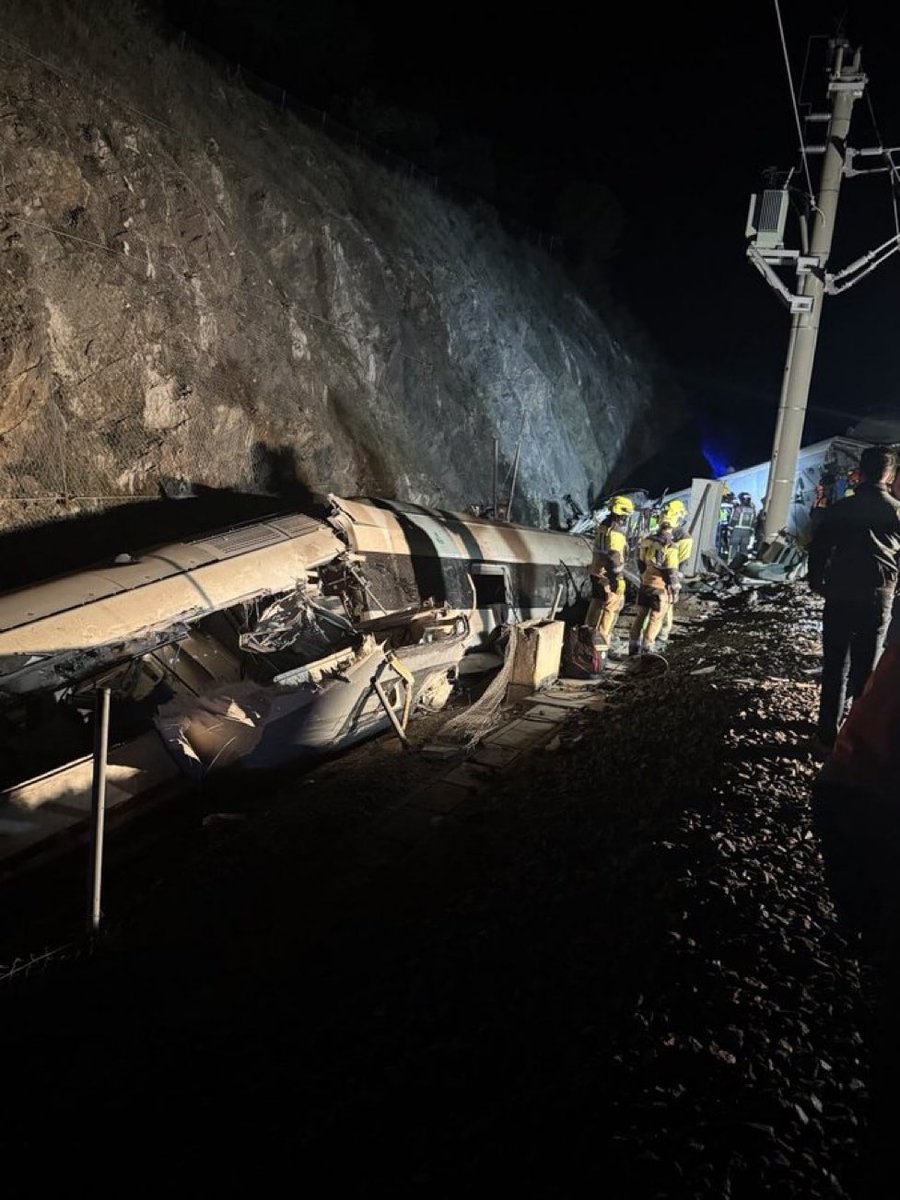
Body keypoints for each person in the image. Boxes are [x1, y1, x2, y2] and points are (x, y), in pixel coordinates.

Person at [807, 444, 900, 749]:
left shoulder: (841, 508)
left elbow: (818, 548)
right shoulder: (897, 511)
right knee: (867, 667)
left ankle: (826, 732)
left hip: (840, 592)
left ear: (862, 470)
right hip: (878, 594)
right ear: (890, 474)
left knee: (835, 664)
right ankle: (854, 735)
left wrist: (817, 581)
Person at [585, 494, 634, 654]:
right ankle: (602, 645)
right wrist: (617, 580)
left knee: (596, 604)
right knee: (611, 608)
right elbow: (614, 558)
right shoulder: (616, 532)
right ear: (622, 515)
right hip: (607, 576)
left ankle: (586, 638)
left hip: (596, 572)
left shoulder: (603, 526)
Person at [629, 520, 681, 656]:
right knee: (655, 618)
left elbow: (640, 561)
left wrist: (645, 575)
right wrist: (675, 590)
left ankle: (633, 647)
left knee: (640, 615)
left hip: (645, 584)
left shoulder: (647, 541)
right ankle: (647, 649)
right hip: (660, 589)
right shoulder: (671, 546)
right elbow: (671, 571)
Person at [657, 498, 692, 650]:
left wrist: (675, 579)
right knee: (657, 607)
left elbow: (681, 562)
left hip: (668, 574)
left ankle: (661, 636)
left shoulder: (683, 538)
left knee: (665, 606)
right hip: (657, 574)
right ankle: (653, 635)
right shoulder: (670, 534)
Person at [728, 492, 756, 564]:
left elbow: (734, 519)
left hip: (737, 530)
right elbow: (754, 522)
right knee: (744, 548)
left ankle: (731, 561)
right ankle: (744, 563)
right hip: (747, 531)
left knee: (733, 546)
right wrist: (751, 531)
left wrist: (730, 529)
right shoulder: (752, 510)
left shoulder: (739, 509)